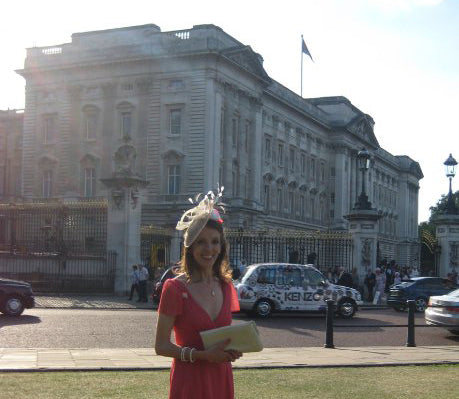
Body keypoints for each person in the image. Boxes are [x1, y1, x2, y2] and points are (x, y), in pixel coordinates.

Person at [155, 188, 242, 399]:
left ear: (222, 247)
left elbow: (222, 337)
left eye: (214, 242)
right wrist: (203, 356)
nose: (208, 249)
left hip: (221, 377)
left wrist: (232, 349)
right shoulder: (174, 288)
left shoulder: (225, 285)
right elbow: (161, 346)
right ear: (191, 247)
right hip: (190, 381)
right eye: (201, 242)